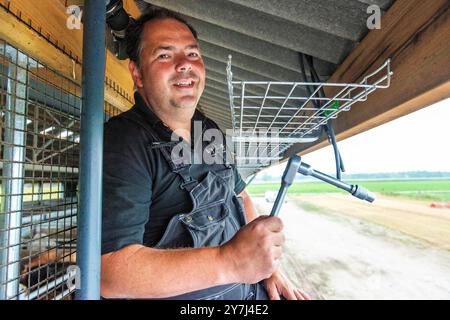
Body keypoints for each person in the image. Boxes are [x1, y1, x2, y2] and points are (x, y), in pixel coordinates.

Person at [100, 8, 310, 300]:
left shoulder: (207, 129)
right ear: (137, 73)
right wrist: (231, 262)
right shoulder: (125, 142)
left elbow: (240, 196)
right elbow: (109, 274)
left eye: (192, 54)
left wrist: (266, 269)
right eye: (164, 55)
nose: (184, 65)